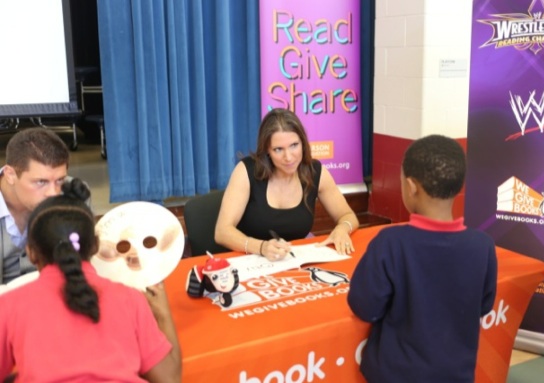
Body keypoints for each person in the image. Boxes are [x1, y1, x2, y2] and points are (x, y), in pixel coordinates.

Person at [347, 134, 498, 382]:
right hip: (455, 374)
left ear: (411, 186)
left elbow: (364, 306)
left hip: (395, 374)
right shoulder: (482, 246)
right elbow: (483, 305)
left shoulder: (390, 242)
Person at [0, 178, 182, 382]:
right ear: (95, 246)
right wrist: (164, 315)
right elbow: (169, 379)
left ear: (31, 253)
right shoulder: (129, 299)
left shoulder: (10, 306)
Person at [215, 108, 359, 260]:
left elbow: (348, 216)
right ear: (267, 150)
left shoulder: (315, 172)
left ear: (303, 143)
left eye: (294, 145)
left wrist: (342, 229)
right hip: (248, 260)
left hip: (294, 263)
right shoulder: (246, 171)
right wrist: (261, 247)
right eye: (278, 149)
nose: (288, 157)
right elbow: (222, 232)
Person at [0, 127, 70, 285]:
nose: (53, 193)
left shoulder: (75, 196)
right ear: (10, 174)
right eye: (41, 182)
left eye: (60, 180)